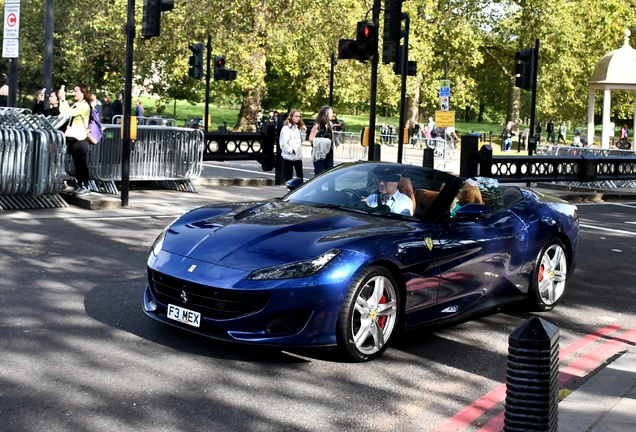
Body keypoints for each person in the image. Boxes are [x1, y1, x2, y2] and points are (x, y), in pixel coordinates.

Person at [58, 84, 93, 196]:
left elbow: (70, 113)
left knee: (82, 163)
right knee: (77, 163)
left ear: (83, 92)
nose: (74, 93)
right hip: (74, 137)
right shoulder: (77, 104)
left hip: (81, 138)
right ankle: (80, 184)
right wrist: (62, 101)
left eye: (77, 91)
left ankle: (86, 186)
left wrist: (64, 100)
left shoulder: (84, 106)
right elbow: (64, 113)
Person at [279, 109, 306, 181]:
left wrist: (303, 132)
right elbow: (283, 143)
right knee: (288, 177)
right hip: (289, 157)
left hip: (298, 157)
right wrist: (290, 151)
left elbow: (301, 141)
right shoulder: (285, 129)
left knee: (300, 176)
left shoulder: (297, 128)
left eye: (299, 116)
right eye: (296, 116)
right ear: (291, 116)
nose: (298, 118)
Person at [308, 105, 335, 175]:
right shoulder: (318, 125)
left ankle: (331, 186)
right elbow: (311, 138)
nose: (332, 114)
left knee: (330, 173)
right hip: (319, 152)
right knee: (319, 173)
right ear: (326, 114)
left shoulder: (330, 125)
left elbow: (332, 138)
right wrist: (323, 141)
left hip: (329, 152)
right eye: (331, 113)